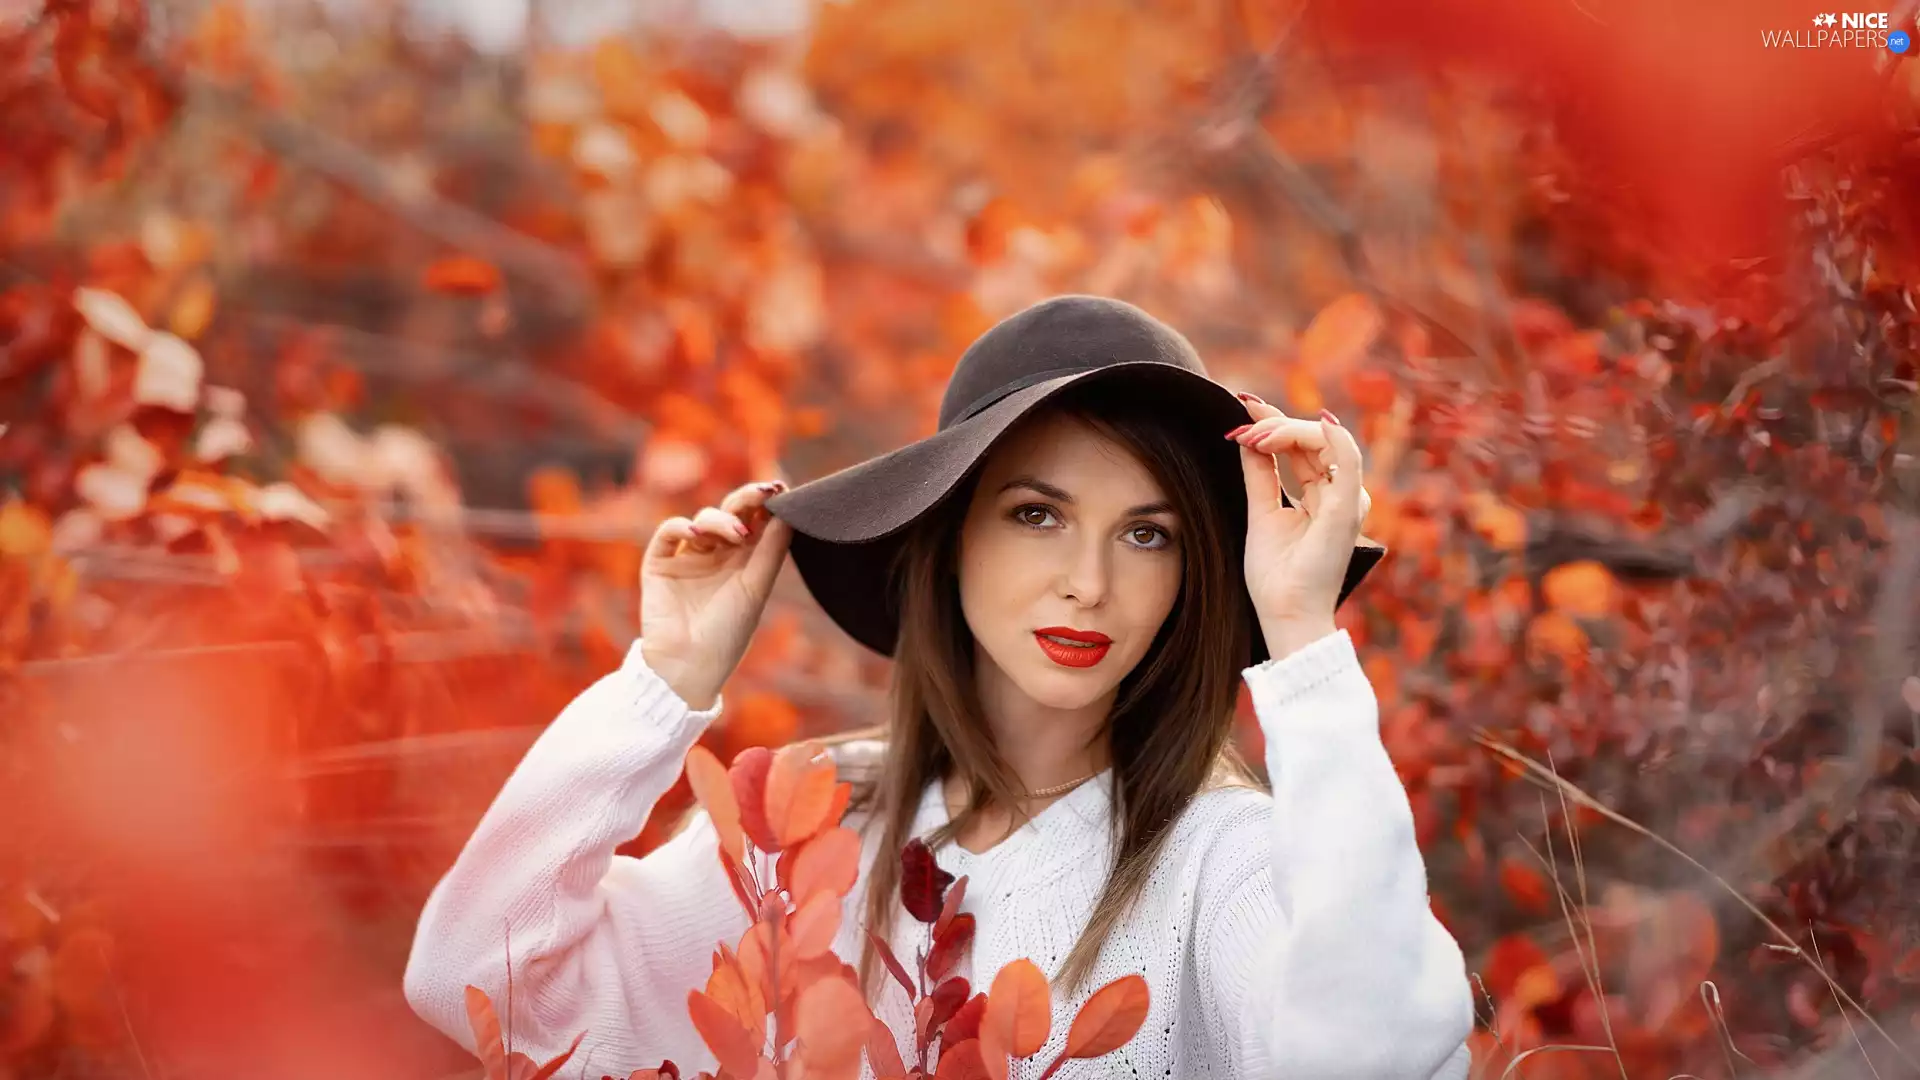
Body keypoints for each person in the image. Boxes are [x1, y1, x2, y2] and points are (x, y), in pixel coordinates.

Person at [402, 296, 1475, 1079]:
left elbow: (1375, 1055)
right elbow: (478, 982)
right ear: (948, 538)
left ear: (1192, 576)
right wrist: (665, 682)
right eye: (1037, 514)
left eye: (1146, 534)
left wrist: (1299, 635)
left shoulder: (1219, 856)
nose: (1088, 583)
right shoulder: (820, 820)